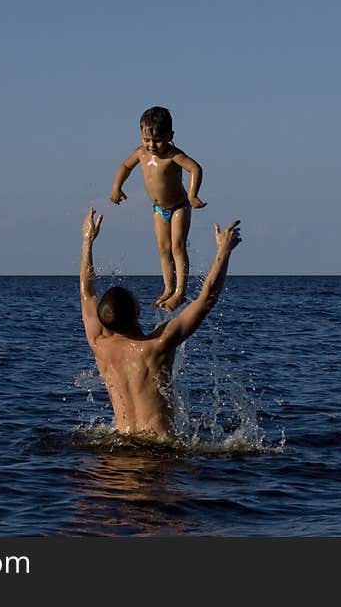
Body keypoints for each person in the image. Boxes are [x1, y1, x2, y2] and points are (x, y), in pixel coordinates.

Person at [80, 206, 241, 441]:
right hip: (159, 450)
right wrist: (224, 251)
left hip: (118, 450)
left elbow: (86, 293)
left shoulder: (98, 345)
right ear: (136, 311)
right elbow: (206, 299)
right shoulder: (156, 346)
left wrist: (87, 241)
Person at [109, 106, 207, 311]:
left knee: (177, 247)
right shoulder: (141, 153)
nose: (151, 145)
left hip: (179, 206)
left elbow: (195, 168)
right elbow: (125, 166)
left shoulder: (173, 155)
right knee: (163, 249)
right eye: (147, 140)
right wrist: (117, 187)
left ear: (170, 136)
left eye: (157, 140)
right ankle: (168, 288)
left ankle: (181, 291)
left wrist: (192, 195)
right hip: (159, 209)